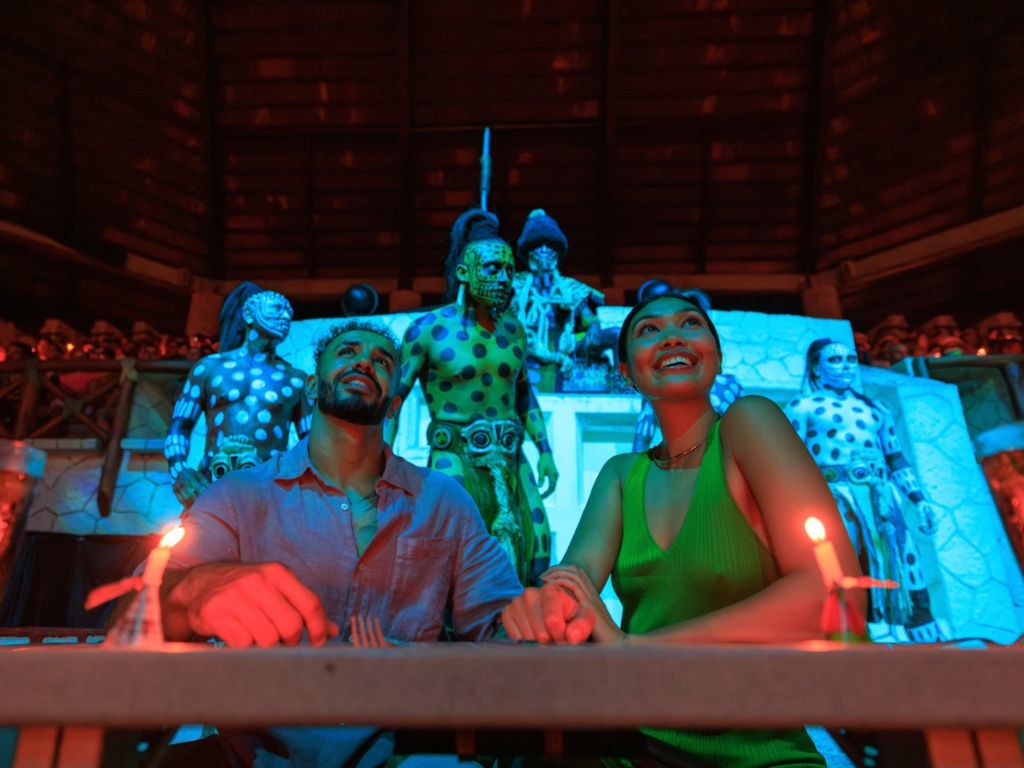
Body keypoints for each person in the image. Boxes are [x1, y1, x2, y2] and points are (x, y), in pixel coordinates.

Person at [154, 321, 557, 767]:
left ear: (395, 402)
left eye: (382, 361)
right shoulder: (239, 496)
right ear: (312, 386)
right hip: (259, 754)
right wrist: (191, 590)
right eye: (347, 352)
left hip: (407, 753)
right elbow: (142, 607)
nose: (364, 361)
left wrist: (435, 662)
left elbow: (505, 626)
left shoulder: (443, 501)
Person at [501, 290, 862, 768]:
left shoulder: (749, 422)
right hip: (631, 744)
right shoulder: (621, 474)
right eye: (649, 330)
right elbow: (575, 577)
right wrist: (549, 603)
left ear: (717, 357)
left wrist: (637, 649)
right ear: (626, 373)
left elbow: (835, 596)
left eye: (690, 323)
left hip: (760, 754)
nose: (672, 336)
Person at [386, 208, 557, 585]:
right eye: (493, 268)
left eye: (509, 270)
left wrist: (545, 451)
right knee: (455, 549)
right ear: (464, 272)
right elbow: (393, 403)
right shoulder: (427, 329)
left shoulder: (513, 330)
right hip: (454, 451)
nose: (504, 279)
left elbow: (524, 395)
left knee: (537, 551)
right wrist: (383, 460)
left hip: (513, 454)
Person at [785, 339, 945, 642]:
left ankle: (916, 624)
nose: (845, 366)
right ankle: (853, 628)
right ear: (816, 367)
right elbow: (787, 460)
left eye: (850, 359)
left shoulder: (876, 410)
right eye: (835, 360)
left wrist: (919, 500)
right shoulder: (802, 408)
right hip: (833, 496)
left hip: (880, 497)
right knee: (843, 558)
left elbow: (895, 458)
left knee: (902, 554)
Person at [164, 290, 311, 508]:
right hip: (211, 487)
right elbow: (179, 425)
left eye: (289, 313)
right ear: (249, 315)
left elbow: (312, 443)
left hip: (271, 492)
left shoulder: (295, 380)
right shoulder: (209, 368)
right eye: (277, 309)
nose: (285, 317)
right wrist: (179, 471)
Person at [509, 208, 605, 391]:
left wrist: (594, 326)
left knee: (613, 334)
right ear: (529, 254)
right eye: (538, 246)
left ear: (557, 254)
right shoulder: (517, 286)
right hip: (526, 347)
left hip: (562, 347)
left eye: (549, 246)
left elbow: (587, 317)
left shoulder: (569, 289)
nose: (544, 251)